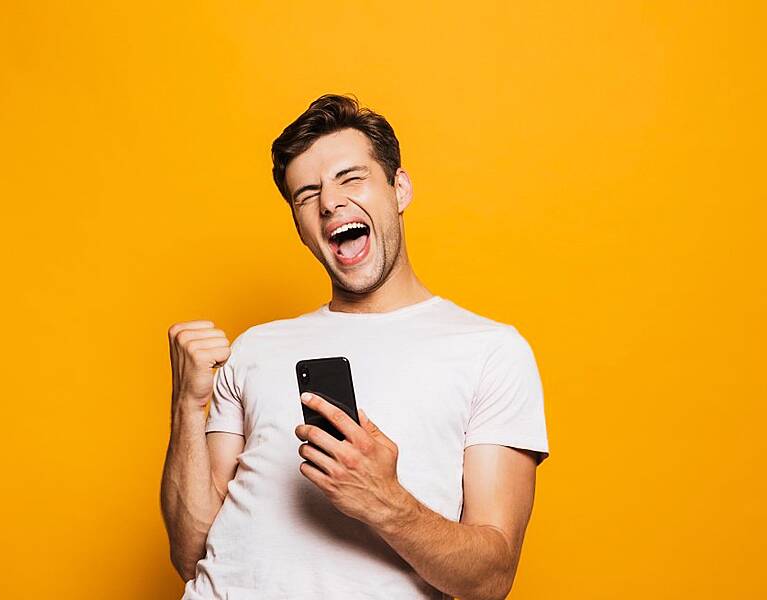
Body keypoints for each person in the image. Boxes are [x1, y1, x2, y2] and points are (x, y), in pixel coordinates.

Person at [161, 94, 550, 600]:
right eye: (307, 194)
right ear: (300, 227)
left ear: (399, 188)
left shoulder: (491, 352)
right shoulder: (254, 348)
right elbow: (191, 553)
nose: (329, 203)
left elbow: (490, 579)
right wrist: (188, 406)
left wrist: (382, 498)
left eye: (351, 178)